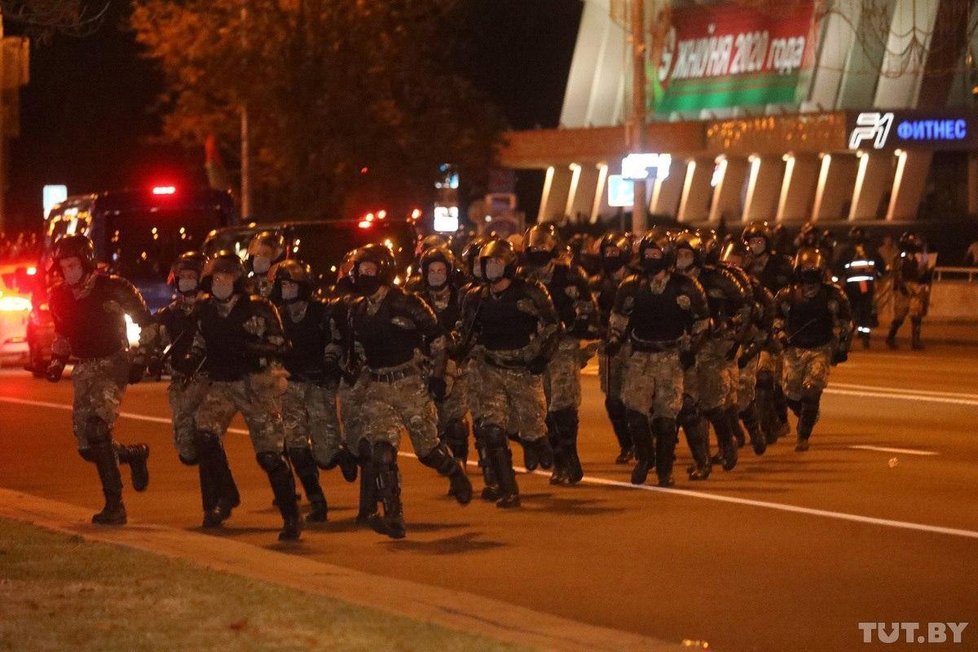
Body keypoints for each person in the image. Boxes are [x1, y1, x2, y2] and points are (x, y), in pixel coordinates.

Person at [344, 244, 472, 539]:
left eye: (370, 270)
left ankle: (453, 470)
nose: (365, 275)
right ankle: (393, 514)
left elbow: (437, 338)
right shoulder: (358, 310)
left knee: (427, 450)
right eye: (360, 270)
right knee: (382, 452)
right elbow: (358, 350)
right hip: (378, 385)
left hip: (410, 382)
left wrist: (438, 375)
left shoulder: (407, 303)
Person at [183, 250, 302, 541]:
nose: (221, 282)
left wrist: (254, 348)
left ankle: (291, 516)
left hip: (256, 383)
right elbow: (200, 341)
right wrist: (190, 358)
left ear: (238, 279)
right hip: (222, 382)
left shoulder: (259, 308)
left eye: (227, 276)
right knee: (204, 434)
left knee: (270, 454)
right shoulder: (206, 309)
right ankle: (225, 496)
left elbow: (282, 344)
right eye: (217, 276)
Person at [45, 234, 157, 525]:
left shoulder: (115, 288)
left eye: (73, 265)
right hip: (83, 369)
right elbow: (63, 334)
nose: (68, 271)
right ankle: (133, 455)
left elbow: (148, 324)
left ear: (86, 262)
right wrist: (57, 361)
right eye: (64, 266)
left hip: (113, 363)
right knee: (87, 447)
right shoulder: (58, 296)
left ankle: (115, 505)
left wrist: (142, 358)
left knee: (97, 428)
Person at [457, 239, 560, 506]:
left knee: (533, 429)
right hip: (489, 368)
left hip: (524, 369)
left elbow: (552, 327)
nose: (491, 268)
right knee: (492, 430)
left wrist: (542, 356)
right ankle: (508, 489)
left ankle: (539, 444)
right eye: (487, 263)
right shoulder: (475, 298)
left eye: (496, 263)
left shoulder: (531, 292)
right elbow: (465, 331)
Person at [606, 228, 710, 487]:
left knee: (666, 418)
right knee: (635, 412)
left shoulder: (686, 287)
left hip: (671, 356)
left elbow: (703, 321)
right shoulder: (631, 286)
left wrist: (692, 349)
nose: (651, 258)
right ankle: (644, 457)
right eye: (647, 253)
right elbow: (619, 318)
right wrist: (615, 339)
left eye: (656, 253)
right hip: (640, 355)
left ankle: (665, 470)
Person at [153, 251, 240, 528]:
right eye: (184, 277)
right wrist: (146, 358)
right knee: (188, 450)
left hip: (208, 380)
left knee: (206, 436)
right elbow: (153, 342)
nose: (188, 282)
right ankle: (225, 495)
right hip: (180, 385)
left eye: (193, 276)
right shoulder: (169, 314)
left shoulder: (212, 308)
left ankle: (216, 503)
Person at [270, 259, 353, 523]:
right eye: (282, 285)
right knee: (295, 445)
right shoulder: (276, 315)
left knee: (325, 456)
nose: (286, 290)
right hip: (291, 385)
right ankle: (317, 501)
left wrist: (330, 360)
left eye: (291, 284)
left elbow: (336, 339)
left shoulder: (321, 312)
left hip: (319, 384)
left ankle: (343, 454)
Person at [521, 224, 598, 485]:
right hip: (535, 348)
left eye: (544, 245)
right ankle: (558, 461)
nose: (539, 250)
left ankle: (570, 459)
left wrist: (576, 326)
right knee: (543, 409)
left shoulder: (571, 276)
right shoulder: (522, 278)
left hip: (564, 347)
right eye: (535, 246)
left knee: (563, 406)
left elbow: (588, 310)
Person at [675, 230, 755, 477]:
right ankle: (703, 461)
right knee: (688, 404)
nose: (682, 260)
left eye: (687, 255)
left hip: (713, 347)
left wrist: (731, 330)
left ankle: (727, 443)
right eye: (678, 255)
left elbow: (744, 307)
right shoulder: (673, 282)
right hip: (685, 347)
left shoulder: (719, 279)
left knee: (710, 403)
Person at [772, 248, 853, 451]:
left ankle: (803, 435)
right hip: (793, 349)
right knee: (791, 393)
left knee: (811, 390)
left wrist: (842, 344)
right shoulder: (787, 294)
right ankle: (807, 413)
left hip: (820, 348)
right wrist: (780, 335)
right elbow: (775, 319)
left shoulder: (833, 295)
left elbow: (846, 321)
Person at [408, 245, 470, 466]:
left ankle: (460, 462)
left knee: (455, 424)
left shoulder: (462, 298)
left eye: (440, 271)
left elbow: (466, 331)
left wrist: (450, 348)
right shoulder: (415, 300)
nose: (436, 276)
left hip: (455, 366)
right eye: (431, 271)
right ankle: (448, 461)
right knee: (432, 425)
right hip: (423, 367)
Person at [742, 220, 794, 443]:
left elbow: (794, 294)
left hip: (776, 327)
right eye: (752, 242)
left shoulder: (783, 265)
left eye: (759, 241)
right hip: (751, 328)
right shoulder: (744, 268)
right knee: (748, 380)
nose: (755, 246)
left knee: (769, 377)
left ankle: (780, 420)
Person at [590, 232, 636, 464]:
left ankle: (647, 442)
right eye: (606, 252)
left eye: (614, 252)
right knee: (613, 400)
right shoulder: (597, 284)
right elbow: (591, 313)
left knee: (638, 400)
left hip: (637, 345)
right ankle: (626, 445)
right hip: (610, 346)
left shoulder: (640, 280)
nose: (610, 256)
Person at [838, 227, 884, 348]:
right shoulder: (870, 251)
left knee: (853, 311)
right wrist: (879, 276)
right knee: (864, 310)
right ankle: (864, 337)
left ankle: (851, 337)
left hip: (853, 286)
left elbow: (838, 266)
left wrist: (839, 279)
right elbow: (881, 266)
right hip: (864, 285)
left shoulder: (847, 251)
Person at [885, 232, 932, 350]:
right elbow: (897, 272)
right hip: (904, 287)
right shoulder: (901, 257)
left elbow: (922, 268)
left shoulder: (914, 257)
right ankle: (890, 337)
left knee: (916, 314)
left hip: (914, 286)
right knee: (900, 316)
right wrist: (901, 286)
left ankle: (915, 341)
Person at [245, 230, 287, 298]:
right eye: (257, 254)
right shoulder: (247, 283)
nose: (259, 258)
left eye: (266, 254)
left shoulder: (284, 285)